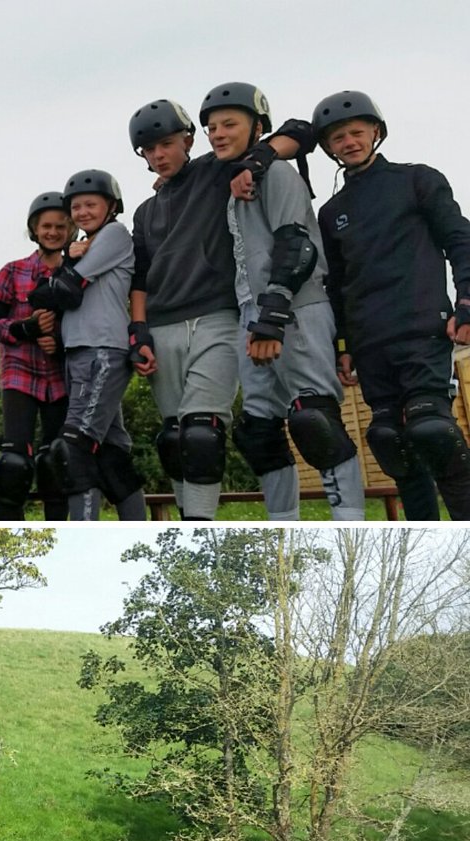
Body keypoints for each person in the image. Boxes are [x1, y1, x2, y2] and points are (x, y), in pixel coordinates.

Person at [127, 98, 310, 520]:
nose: (159, 155)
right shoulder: (144, 212)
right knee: (173, 439)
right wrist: (138, 332)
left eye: (167, 144)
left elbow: (301, 132)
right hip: (162, 324)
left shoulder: (214, 170)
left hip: (216, 317)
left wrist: (258, 159)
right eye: (149, 150)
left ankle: (201, 522)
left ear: (188, 140)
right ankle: (187, 523)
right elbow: (140, 277)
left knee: (202, 434)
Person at [200, 82, 364, 521]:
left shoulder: (276, 174)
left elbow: (297, 247)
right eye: (211, 127)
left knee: (315, 422)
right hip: (251, 314)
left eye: (229, 124)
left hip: (294, 308)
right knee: (258, 431)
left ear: (257, 129)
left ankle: (350, 522)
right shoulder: (236, 178)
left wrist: (272, 319)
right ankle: (282, 524)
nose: (217, 133)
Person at [313, 90, 470, 520]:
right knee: (389, 440)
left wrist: (467, 300)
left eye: (356, 133)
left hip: (422, 329)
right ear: (328, 147)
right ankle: (423, 528)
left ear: (376, 133)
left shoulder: (417, 179)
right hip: (369, 342)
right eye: (338, 137)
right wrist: (341, 345)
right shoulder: (331, 212)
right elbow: (337, 286)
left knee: (432, 430)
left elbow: (460, 239)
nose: (348, 142)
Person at [45, 170, 146, 521]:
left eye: (90, 204)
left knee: (73, 450)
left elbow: (66, 289)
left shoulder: (115, 234)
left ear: (111, 206)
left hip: (103, 350)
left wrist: (68, 263)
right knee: (111, 453)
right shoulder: (85, 244)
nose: (82, 212)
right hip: (79, 352)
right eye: (76, 207)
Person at [0, 192, 75, 520]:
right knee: (14, 460)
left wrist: (59, 342)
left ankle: (59, 531)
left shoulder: (77, 274)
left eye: (60, 226)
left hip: (61, 376)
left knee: (57, 459)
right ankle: (9, 530)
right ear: (34, 230)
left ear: (70, 230)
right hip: (20, 370)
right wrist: (26, 329)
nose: (53, 232)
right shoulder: (13, 271)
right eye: (46, 226)